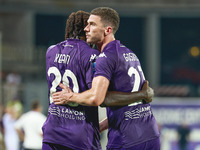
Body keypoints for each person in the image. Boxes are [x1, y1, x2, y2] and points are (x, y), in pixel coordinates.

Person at [43, 10, 154, 150]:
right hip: (81, 135)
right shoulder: (96, 56)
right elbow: (100, 97)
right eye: (88, 24)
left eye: (92, 24)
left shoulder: (51, 51)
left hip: (52, 132)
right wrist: (142, 94)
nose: (87, 28)